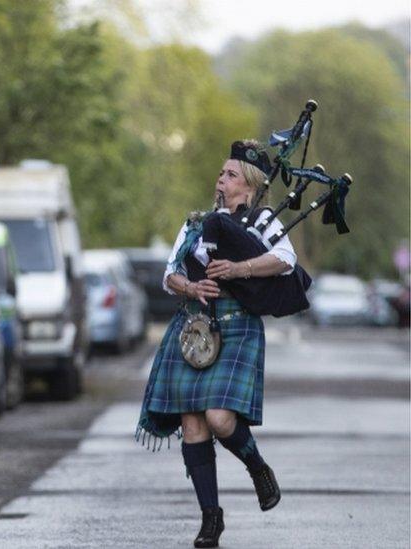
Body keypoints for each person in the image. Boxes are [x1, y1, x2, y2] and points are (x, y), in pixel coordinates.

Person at [137, 140, 297, 548]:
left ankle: (256, 466)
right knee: (192, 422)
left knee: (220, 418)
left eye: (230, 174)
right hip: (194, 327)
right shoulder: (197, 222)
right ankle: (211, 518)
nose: (220, 179)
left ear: (249, 186)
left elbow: (285, 259)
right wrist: (190, 285)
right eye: (221, 173)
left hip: (238, 325)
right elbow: (169, 273)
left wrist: (240, 267)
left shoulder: (262, 220)